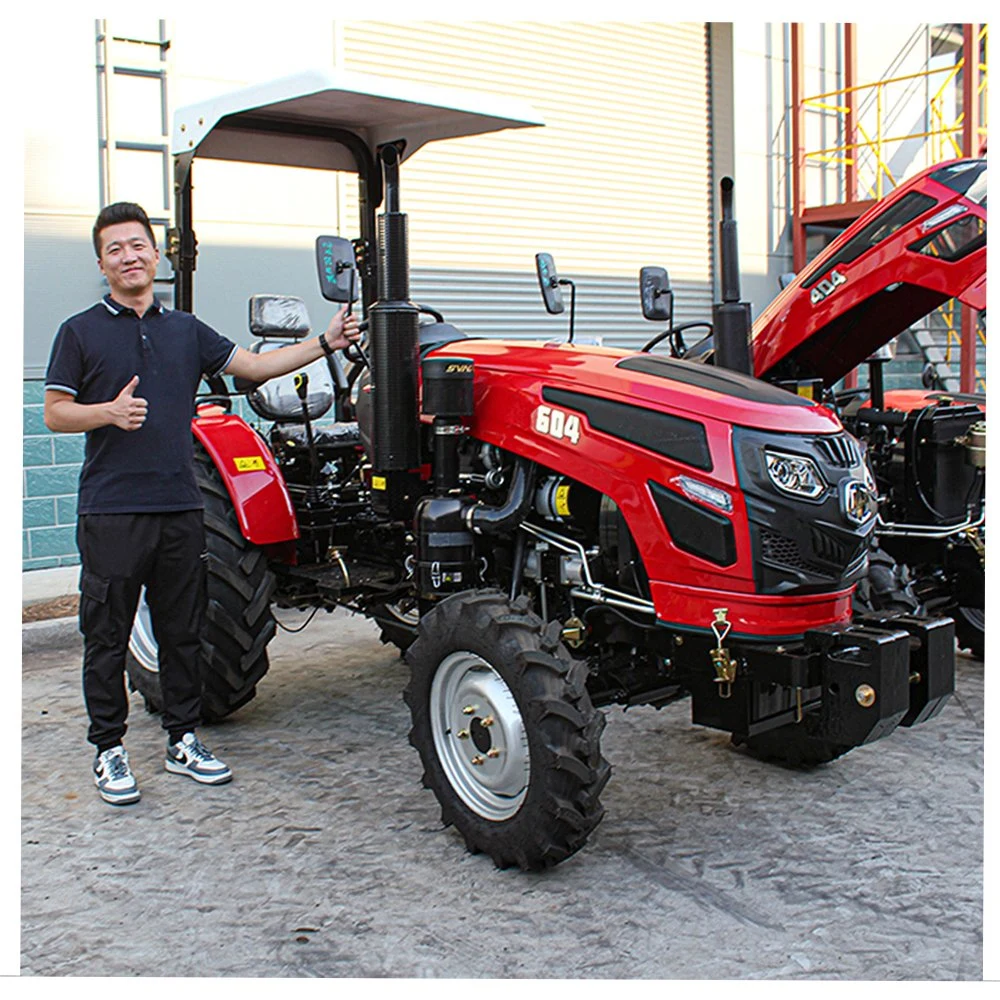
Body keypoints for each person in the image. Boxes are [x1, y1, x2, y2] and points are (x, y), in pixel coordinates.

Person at [43, 201, 360, 805]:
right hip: (112, 510)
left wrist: (326, 341)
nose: (129, 257)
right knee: (106, 632)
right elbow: (55, 411)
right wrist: (106, 412)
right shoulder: (79, 332)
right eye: (115, 249)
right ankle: (108, 749)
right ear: (102, 263)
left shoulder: (185, 329)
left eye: (138, 245)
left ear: (155, 255)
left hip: (179, 506)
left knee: (182, 631)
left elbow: (259, 367)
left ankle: (182, 738)